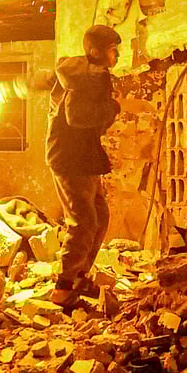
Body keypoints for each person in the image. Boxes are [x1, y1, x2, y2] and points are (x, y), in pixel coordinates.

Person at [45, 24, 122, 305]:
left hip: (85, 156)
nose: (117, 57)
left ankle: (79, 278)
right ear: (95, 51)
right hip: (70, 158)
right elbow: (77, 117)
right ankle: (62, 288)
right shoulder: (80, 79)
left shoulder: (92, 75)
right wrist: (112, 109)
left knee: (99, 216)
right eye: (113, 51)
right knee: (84, 221)